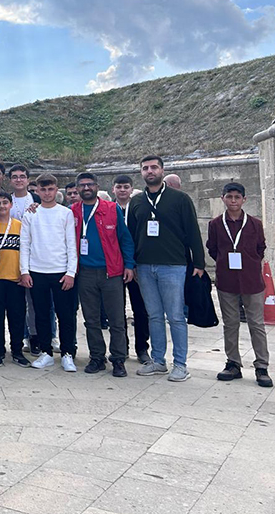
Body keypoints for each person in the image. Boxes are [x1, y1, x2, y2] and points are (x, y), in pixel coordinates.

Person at [127, 156, 206, 382]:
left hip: (173, 265)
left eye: (154, 167)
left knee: (175, 316)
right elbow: (131, 235)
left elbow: (192, 230)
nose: (150, 171)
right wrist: (131, 264)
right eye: (145, 168)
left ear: (162, 170)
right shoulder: (137, 201)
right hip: (144, 266)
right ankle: (158, 361)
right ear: (141, 172)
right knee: (153, 315)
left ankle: (180, 364)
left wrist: (199, 262)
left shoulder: (179, 198)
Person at [206, 183, 273, 388]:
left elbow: (260, 248)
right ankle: (233, 363)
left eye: (237, 197)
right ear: (223, 198)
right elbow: (212, 248)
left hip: (252, 281)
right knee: (231, 323)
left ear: (244, 199)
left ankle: (262, 366)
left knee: (256, 324)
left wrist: (250, 264)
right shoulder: (216, 224)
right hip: (227, 281)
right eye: (229, 196)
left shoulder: (254, 224)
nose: (233, 200)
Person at [73, 172, 135, 377]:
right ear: (77, 189)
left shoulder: (111, 208)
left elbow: (125, 239)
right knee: (91, 319)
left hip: (111, 272)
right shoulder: (72, 211)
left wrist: (129, 265)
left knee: (116, 319)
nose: (86, 188)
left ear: (97, 187)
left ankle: (118, 359)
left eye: (90, 184)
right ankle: (97, 357)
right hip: (85, 272)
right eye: (82, 185)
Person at [20, 174, 78, 372]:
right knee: (41, 314)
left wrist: (71, 272)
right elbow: (25, 244)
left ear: (56, 189)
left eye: (50, 189)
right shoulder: (30, 214)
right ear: (37, 191)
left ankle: (68, 353)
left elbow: (71, 244)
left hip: (61, 271)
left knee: (65, 315)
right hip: (37, 271)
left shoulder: (65, 213)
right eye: (43, 190)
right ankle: (46, 352)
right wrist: (24, 271)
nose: (46, 193)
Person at [9, 164, 50, 356]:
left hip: (34, 256)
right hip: (10, 257)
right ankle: (17, 339)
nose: (18, 180)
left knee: (35, 301)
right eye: (15, 177)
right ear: (10, 180)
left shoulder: (37, 200)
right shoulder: (5, 200)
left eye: (22, 176)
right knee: (15, 303)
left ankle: (36, 337)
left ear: (27, 179)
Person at [0, 192, 29, 367]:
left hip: (15, 278)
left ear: (11, 204)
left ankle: (17, 350)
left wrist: (25, 272)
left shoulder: (20, 225)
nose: (2, 206)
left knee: (17, 317)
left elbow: (26, 250)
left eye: (5, 202)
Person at [113, 175, 150, 364]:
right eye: (119, 187)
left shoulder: (138, 208)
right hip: (114, 265)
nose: (122, 190)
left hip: (136, 265)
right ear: (113, 189)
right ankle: (122, 347)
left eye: (125, 187)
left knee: (140, 309)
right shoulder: (108, 209)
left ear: (131, 189)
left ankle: (142, 348)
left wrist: (134, 263)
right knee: (117, 310)